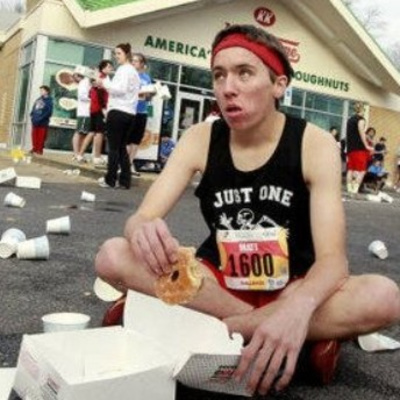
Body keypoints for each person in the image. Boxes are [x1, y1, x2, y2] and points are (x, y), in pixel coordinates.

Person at [95, 24, 400, 396]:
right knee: (112, 256)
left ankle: (213, 329)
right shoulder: (201, 138)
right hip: (216, 283)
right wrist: (140, 230)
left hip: (292, 286)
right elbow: (142, 216)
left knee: (384, 297)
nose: (228, 88)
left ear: (279, 85)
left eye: (244, 72)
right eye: (219, 75)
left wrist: (297, 306)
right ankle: (285, 337)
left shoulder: (314, 143)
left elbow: (333, 261)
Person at [97, 43, 140, 189]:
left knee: (114, 148)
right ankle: (125, 180)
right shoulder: (134, 72)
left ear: (127, 54)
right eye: (115, 54)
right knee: (121, 148)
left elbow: (119, 90)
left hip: (118, 111)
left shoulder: (124, 70)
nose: (116, 57)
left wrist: (104, 84)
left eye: (119, 54)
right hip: (130, 113)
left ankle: (110, 179)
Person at [75, 60, 113, 166]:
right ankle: (96, 157)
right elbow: (99, 94)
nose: (111, 68)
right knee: (99, 133)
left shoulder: (105, 78)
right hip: (98, 108)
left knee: (92, 132)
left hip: (95, 108)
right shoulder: (99, 78)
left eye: (111, 67)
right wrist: (104, 109)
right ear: (102, 68)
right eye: (109, 67)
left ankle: (80, 155)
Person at [127, 53, 154, 177]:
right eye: (132, 61)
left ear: (142, 64)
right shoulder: (129, 75)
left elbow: (148, 97)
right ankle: (123, 163)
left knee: (136, 140)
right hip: (129, 110)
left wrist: (150, 94)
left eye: (136, 61)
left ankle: (129, 164)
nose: (133, 63)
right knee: (127, 139)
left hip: (142, 111)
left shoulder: (147, 78)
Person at [345, 103, 374, 194]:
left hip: (351, 148)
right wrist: (366, 145)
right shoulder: (361, 120)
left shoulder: (350, 120)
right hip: (359, 148)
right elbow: (361, 133)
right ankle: (354, 190)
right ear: (362, 110)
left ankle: (350, 189)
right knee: (362, 170)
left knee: (351, 169)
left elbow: (351, 134)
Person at [71, 68, 91, 162]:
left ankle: (79, 153)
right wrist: (93, 100)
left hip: (87, 112)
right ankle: (76, 154)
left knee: (83, 133)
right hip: (84, 112)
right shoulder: (84, 82)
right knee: (79, 132)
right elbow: (82, 97)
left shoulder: (87, 82)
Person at [29, 85, 53, 155]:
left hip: (43, 122)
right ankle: (34, 148)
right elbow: (34, 108)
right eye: (40, 90)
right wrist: (32, 115)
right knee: (34, 135)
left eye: (42, 90)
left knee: (41, 136)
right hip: (35, 121)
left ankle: (39, 150)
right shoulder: (38, 99)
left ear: (47, 92)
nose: (41, 92)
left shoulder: (49, 101)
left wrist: (41, 118)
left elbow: (49, 112)